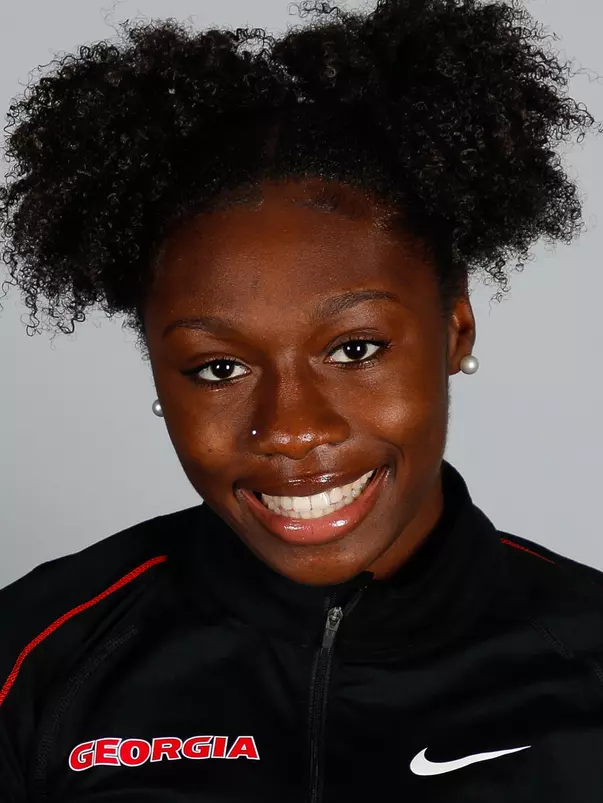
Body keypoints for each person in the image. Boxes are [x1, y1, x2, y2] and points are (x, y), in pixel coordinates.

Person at [0, 0, 602, 799]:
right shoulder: (36, 655)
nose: (290, 429)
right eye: (217, 368)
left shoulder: (586, 658)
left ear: (454, 327)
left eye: (355, 349)